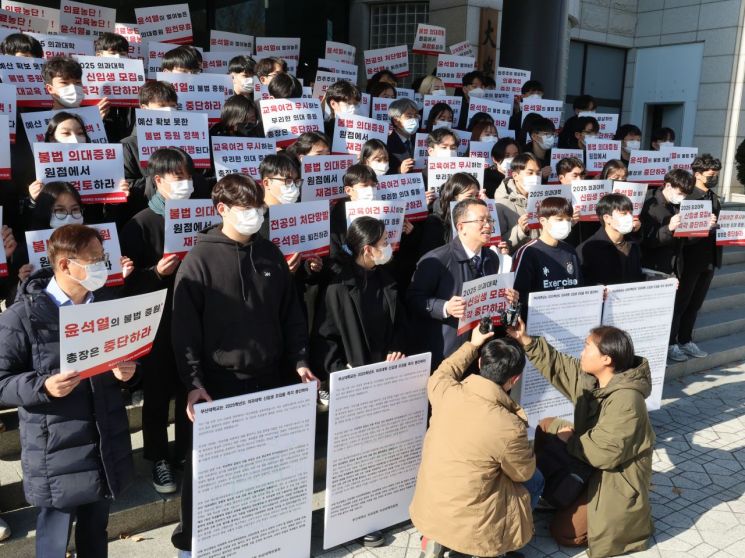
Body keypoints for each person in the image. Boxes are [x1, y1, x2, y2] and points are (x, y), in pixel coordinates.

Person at [169, 173, 318, 555]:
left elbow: (291, 316)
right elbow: (184, 333)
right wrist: (193, 382)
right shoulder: (198, 262)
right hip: (219, 384)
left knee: (261, 467)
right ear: (222, 210)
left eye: (259, 207)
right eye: (246, 208)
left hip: (268, 378)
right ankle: (193, 544)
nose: (255, 215)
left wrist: (299, 360)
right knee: (207, 472)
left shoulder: (269, 254)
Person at [0, 224, 137, 557]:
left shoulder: (106, 303)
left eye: (102, 258)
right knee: (53, 540)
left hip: (104, 441)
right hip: (55, 451)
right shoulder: (24, 315)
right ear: (64, 264)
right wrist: (43, 386)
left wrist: (128, 371)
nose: (102, 266)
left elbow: (128, 358)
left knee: (96, 534)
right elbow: (2, 381)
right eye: (94, 259)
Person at [507, 319, 654, 558]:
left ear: (606, 359)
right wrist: (524, 340)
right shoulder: (593, 379)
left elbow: (605, 454)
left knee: (565, 534)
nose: (581, 352)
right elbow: (558, 364)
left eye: (587, 347)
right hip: (589, 457)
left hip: (613, 477)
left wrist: (570, 440)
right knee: (547, 426)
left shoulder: (628, 400)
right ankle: (555, 491)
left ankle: (598, 511)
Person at [410, 326, 541, 558]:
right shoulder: (508, 426)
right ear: (515, 379)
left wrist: (472, 344)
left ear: (480, 364)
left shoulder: (445, 391)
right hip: (472, 524)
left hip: (429, 510)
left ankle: (435, 539)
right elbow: (523, 473)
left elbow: (444, 371)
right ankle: (494, 548)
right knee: (535, 480)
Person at [121, 148, 202, 494]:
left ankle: (185, 451)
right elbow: (123, 282)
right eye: (177, 177)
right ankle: (157, 457)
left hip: (194, 317)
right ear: (158, 181)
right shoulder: (139, 224)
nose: (185, 183)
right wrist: (155, 272)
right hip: (154, 324)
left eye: (188, 176)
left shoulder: (201, 216)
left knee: (191, 386)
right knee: (156, 394)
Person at [407, 198, 515, 368]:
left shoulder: (492, 257)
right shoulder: (437, 260)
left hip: (482, 346)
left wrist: (506, 298)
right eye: (481, 220)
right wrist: (444, 307)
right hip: (447, 350)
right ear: (461, 227)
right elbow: (413, 299)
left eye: (490, 220)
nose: (488, 225)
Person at [668, 155, 722, 361]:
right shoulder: (688, 198)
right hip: (690, 259)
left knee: (695, 304)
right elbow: (683, 233)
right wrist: (702, 226)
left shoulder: (714, 197)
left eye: (716, 175)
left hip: (709, 258)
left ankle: (685, 339)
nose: (714, 178)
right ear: (697, 174)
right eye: (710, 175)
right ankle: (672, 343)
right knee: (681, 303)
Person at [512, 196, 582, 320]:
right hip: (538, 322)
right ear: (543, 221)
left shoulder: (570, 251)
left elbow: (578, 287)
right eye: (559, 219)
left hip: (568, 320)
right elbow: (519, 295)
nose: (565, 224)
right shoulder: (528, 252)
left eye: (568, 220)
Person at [577, 193, 643, 286]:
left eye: (630, 213)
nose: (629, 218)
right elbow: (582, 281)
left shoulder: (633, 245)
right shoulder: (588, 248)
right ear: (607, 218)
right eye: (623, 214)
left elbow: (637, 276)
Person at [417, 172, 480, 258]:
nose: (474, 200)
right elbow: (431, 257)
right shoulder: (435, 222)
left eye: (476, 195)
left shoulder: (478, 219)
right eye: (469, 196)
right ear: (454, 197)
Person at [492, 153, 539, 251]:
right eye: (530, 173)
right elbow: (497, 244)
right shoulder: (500, 205)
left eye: (538, 173)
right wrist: (520, 230)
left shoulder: (543, 199)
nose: (535, 177)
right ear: (515, 176)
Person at [387, 98, 420, 173]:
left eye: (415, 116)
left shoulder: (421, 141)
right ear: (396, 121)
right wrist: (399, 171)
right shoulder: (386, 143)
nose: (414, 120)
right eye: (409, 116)